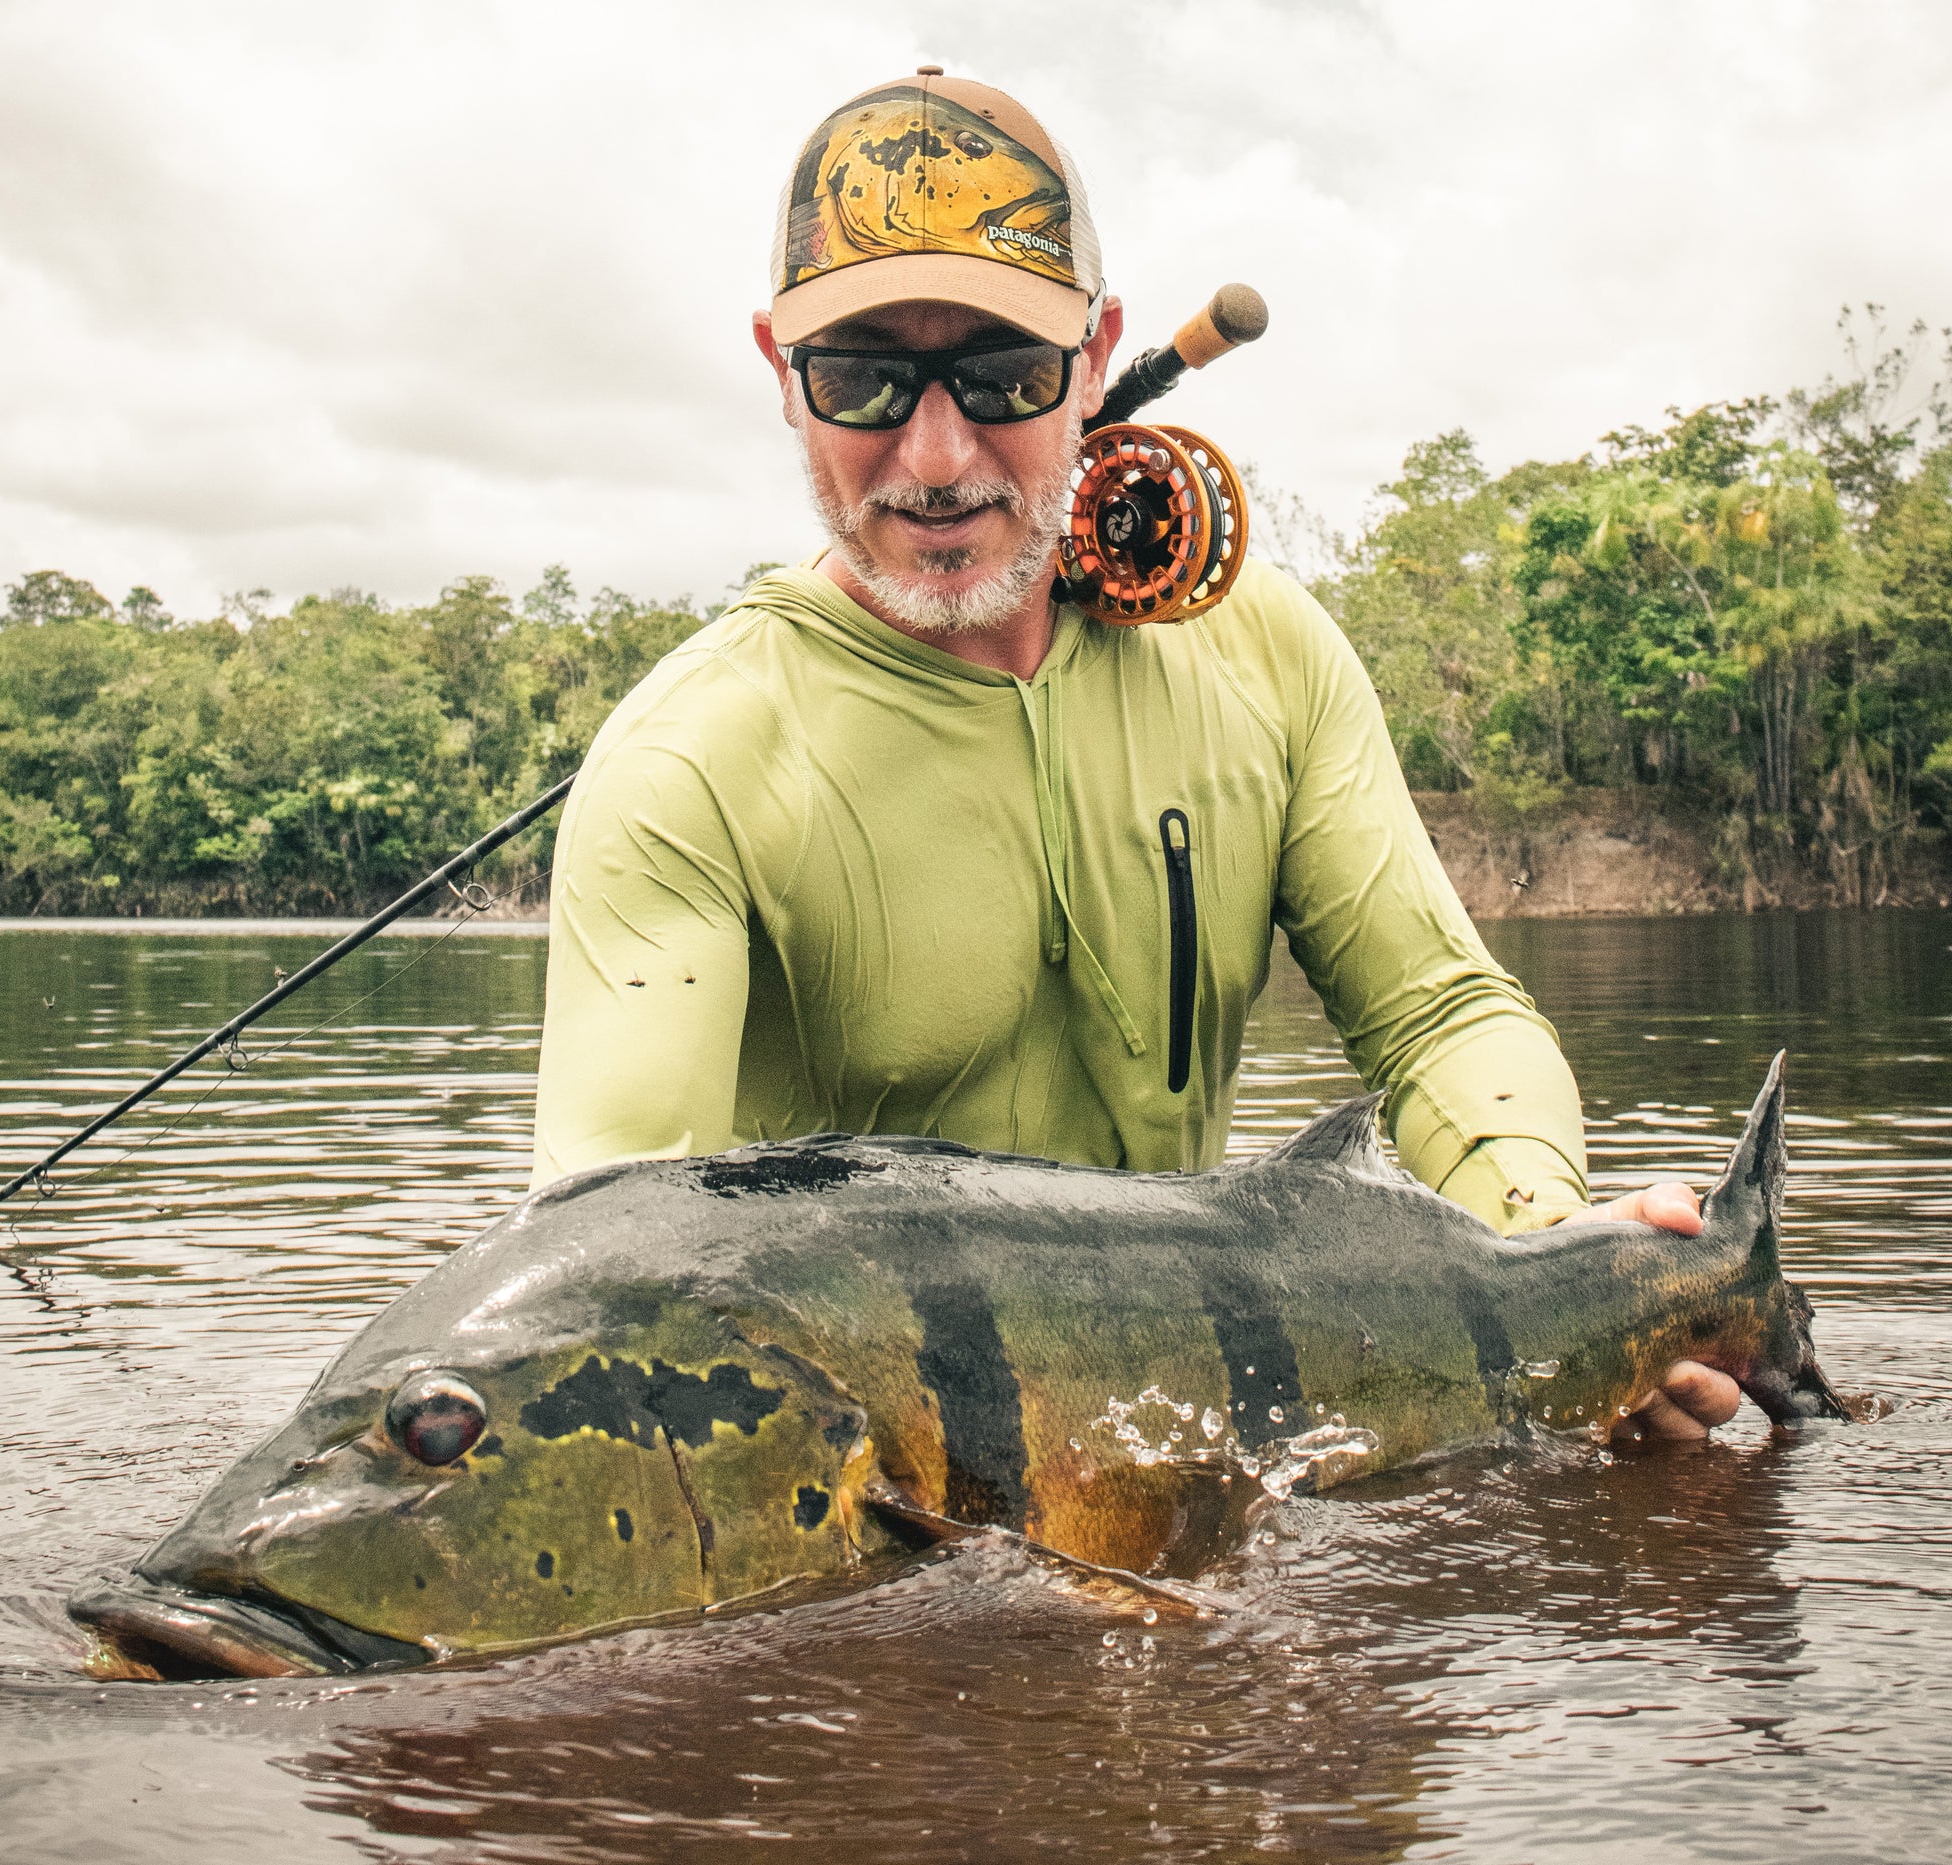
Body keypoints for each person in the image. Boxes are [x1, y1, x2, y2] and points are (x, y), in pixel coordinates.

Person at [531, 69, 1737, 1445]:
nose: (933, 454)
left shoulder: (1265, 650)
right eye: (862, 378)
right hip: (897, 1487)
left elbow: (1441, 1015)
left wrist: (1560, 1256)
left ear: (1096, 356)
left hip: (1208, 1453)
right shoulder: (686, 766)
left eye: (1000, 375)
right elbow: (607, 1282)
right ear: (780, 371)